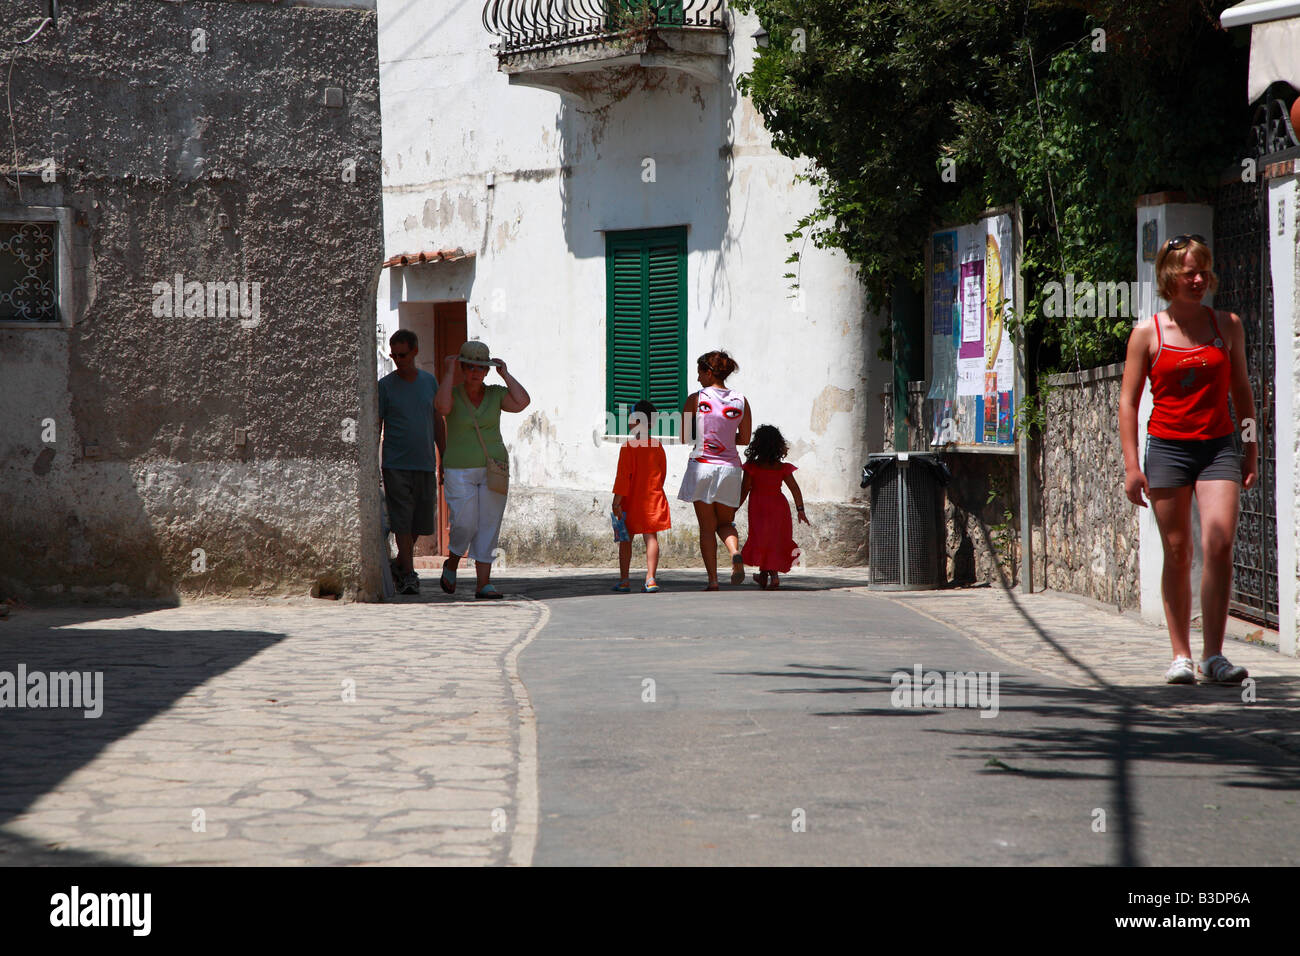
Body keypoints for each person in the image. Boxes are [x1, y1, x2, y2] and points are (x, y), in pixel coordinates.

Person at [1119, 234, 1257, 685]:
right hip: (1168, 449)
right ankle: (1181, 655)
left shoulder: (1227, 325)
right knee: (1178, 553)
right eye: (1188, 273)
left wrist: (1251, 445)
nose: (1198, 280)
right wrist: (1131, 466)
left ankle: (1214, 655)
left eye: (1203, 271)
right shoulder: (1148, 333)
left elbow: (1242, 393)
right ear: (1168, 276)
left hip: (1218, 447)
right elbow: (1128, 402)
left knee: (1218, 545)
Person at [434, 340, 530, 599]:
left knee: (489, 523)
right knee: (464, 522)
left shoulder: (496, 394)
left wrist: (505, 374)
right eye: (470, 367)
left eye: (481, 368)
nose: (475, 372)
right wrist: (449, 373)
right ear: (463, 369)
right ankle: (452, 562)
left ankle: (483, 583)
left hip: (494, 468)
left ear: (487, 371)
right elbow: (441, 408)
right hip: (458, 469)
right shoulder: (452, 394)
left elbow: (522, 402)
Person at [677, 350, 751, 590]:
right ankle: (734, 552)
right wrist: (726, 438)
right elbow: (745, 438)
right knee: (725, 523)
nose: (698, 379)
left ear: (708, 372)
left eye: (700, 373)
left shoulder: (695, 399)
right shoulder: (741, 400)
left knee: (707, 529)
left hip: (703, 467)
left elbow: (684, 437)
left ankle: (713, 581)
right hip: (730, 468)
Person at [378, 329, 444, 595]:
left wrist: (445, 455)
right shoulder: (385, 386)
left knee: (420, 522)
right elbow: (377, 423)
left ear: (415, 351)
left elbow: (437, 420)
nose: (398, 360)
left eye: (403, 354)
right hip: (395, 463)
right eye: (394, 355)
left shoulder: (430, 383)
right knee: (402, 520)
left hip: (425, 463)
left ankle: (400, 564)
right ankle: (408, 573)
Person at [738, 424, 809, 590]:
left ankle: (774, 576)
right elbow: (795, 489)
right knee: (775, 540)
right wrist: (800, 510)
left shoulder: (751, 467)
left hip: (759, 507)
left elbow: (745, 489)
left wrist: (734, 509)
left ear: (757, 444)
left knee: (762, 539)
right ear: (778, 445)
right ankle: (763, 576)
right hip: (779, 506)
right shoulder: (782, 467)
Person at [611, 399, 671, 593]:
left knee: (626, 541)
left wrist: (616, 501)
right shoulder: (657, 446)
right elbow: (662, 473)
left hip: (630, 501)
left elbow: (623, 478)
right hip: (652, 499)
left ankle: (624, 580)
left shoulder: (628, 447)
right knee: (651, 537)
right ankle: (651, 578)